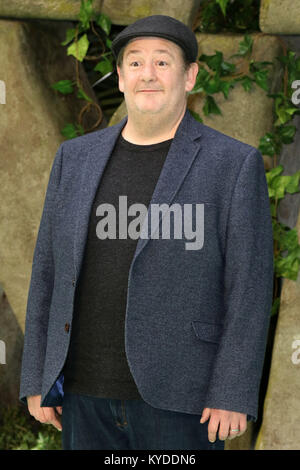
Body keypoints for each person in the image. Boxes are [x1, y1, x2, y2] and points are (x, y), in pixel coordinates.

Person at [19, 15, 274, 450]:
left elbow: (249, 287)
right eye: (135, 63)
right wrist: (38, 376)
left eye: (162, 62)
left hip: (182, 400)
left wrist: (232, 390)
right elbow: (47, 270)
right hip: (84, 394)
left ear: (190, 75)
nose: (148, 74)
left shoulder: (232, 164)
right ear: (119, 78)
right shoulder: (74, 159)